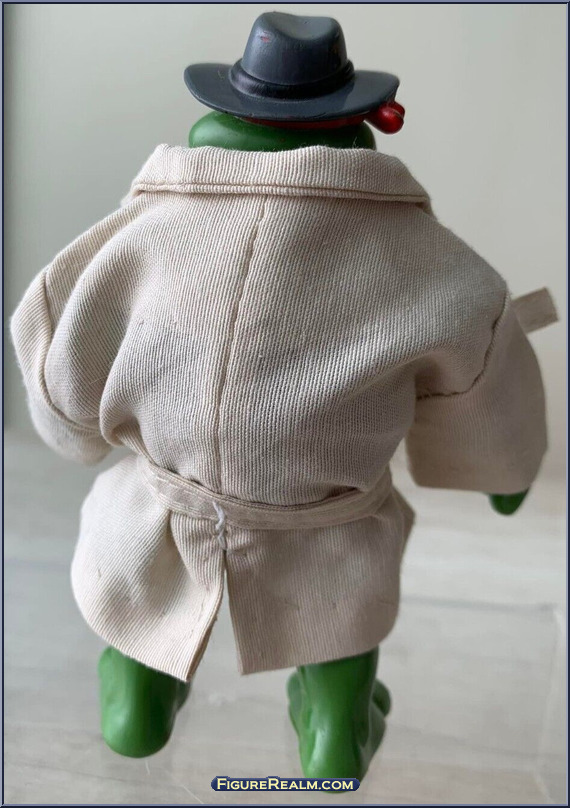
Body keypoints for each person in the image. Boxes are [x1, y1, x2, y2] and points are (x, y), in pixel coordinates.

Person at [11, 11, 555, 780]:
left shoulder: (140, 233)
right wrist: (504, 470)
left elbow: (59, 336)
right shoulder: (427, 258)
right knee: (337, 607)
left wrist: (70, 432)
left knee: (143, 595)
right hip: (325, 514)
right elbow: (486, 367)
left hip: (168, 501)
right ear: (358, 120)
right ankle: (335, 723)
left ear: (230, 109)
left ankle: (136, 700)